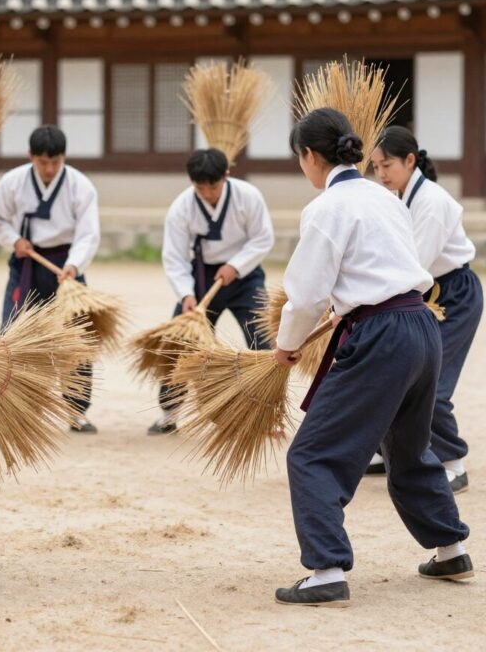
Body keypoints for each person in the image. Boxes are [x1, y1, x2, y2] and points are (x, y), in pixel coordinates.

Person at [273, 108, 472, 607]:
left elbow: (305, 295)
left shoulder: (325, 208)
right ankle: (450, 548)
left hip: (381, 335)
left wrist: (286, 343)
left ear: (309, 156)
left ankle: (325, 570)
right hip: (420, 326)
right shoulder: (385, 198)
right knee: (409, 448)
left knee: (312, 453)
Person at [366, 128, 481, 493]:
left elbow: (413, 266)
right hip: (420, 292)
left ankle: (453, 463)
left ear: (410, 161)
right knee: (395, 370)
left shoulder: (431, 202)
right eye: (375, 166)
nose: (381, 173)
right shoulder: (395, 195)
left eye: (387, 164)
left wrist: (367, 300)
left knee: (432, 383)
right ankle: (394, 452)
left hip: (452, 295)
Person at [0, 124, 100, 433]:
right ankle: (14, 407)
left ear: (64, 158)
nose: (50, 169)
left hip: (66, 269)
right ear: (31, 157)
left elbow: (89, 234)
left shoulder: (81, 186)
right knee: (13, 334)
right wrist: (12, 238)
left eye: (56, 162)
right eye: (43, 162)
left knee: (76, 338)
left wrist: (74, 265)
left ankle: (76, 410)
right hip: (26, 265)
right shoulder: (13, 181)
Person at [149, 147, 274, 435]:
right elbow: (175, 257)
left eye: (213, 186)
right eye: (200, 187)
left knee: (263, 340)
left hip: (245, 277)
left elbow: (262, 239)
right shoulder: (181, 207)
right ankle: (169, 412)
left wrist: (236, 265)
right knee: (178, 343)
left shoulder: (248, 197)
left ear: (226, 176)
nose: (207, 193)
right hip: (200, 280)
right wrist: (186, 295)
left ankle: (267, 413)